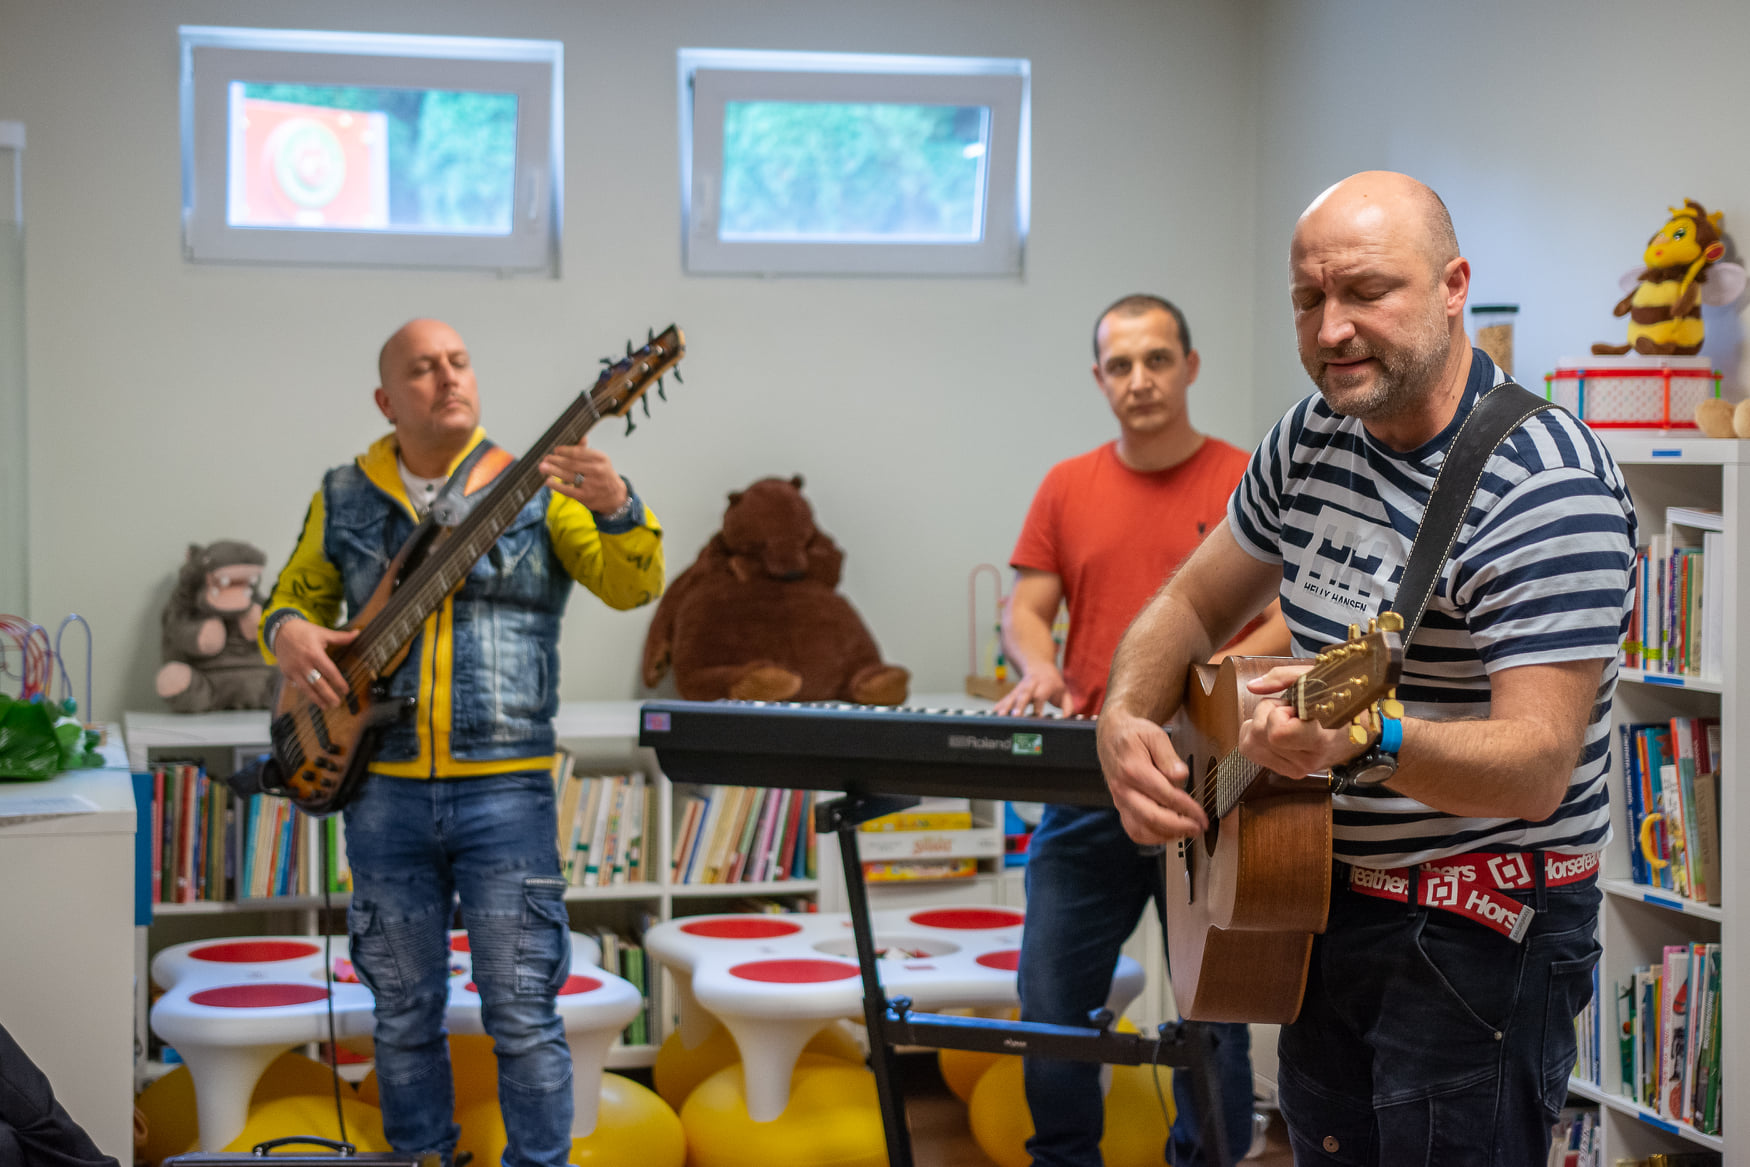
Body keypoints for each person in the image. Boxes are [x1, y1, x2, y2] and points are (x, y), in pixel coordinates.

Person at [1095, 172, 1637, 1165]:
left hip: (1475, 934)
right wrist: (1123, 716)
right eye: (1308, 298)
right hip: (1323, 900)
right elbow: (1192, 603)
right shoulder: (1312, 436)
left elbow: (1536, 767)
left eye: (1367, 291)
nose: (1331, 328)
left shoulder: (1544, 484)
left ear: (1453, 286)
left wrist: (1368, 737)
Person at [260, 318, 665, 1167]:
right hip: (381, 788)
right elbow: (293, 596)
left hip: (505, 791)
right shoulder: (343, 494)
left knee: (524, 1013)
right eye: (423, 368)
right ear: (386, 400)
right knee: (401, 1013)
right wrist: (286, 630)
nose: (447, 378)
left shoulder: (540, 483)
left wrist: (618, 508)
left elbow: (633, 586)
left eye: (459, 362)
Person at [995, 293, 1287, 1167]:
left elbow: (1292, 614)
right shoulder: (1067, 484)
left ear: (1189, 366)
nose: (1140, 379)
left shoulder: (1249, 479)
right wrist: (1038, 666)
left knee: (1214, 1019)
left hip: (1215, 782)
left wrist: (1203, 683)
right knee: (1050, 1006)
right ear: (1099, 378)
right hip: (1094, 784)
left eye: (1157, 359)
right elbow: (1026, 608)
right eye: (1120, 365)